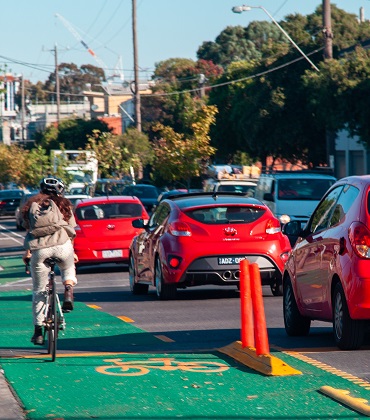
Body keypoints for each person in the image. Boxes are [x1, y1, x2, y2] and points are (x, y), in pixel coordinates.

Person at [22, 177, 79, 346]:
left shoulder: (32, 206)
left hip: (40, 250)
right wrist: (72, 252)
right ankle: (68, 290)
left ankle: (38, 331)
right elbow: (71, 231)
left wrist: (27, 253)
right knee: (68, 267)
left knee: (39, 291)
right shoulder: (65, 205)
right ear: (60, 190)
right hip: (63, 246)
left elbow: (29, 232)